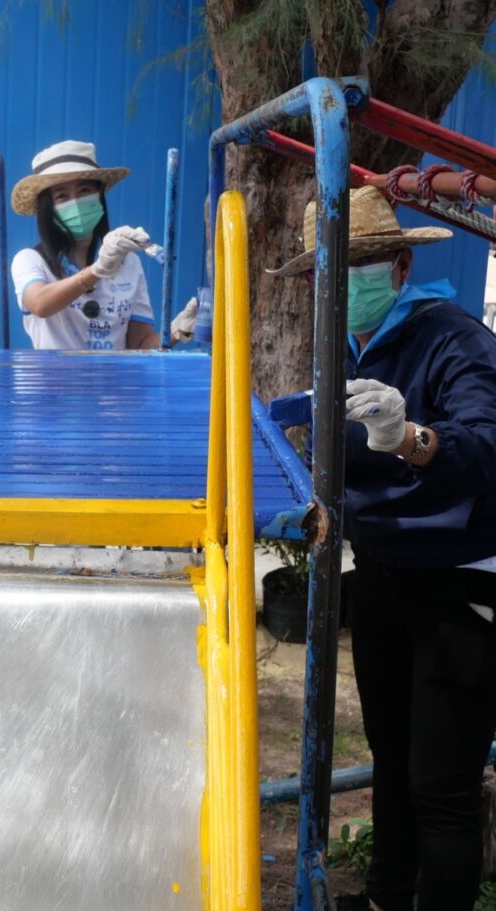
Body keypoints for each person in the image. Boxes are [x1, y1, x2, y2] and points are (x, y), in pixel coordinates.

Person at [270, 185, 496, 911]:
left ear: (401, 266)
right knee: (392, 757)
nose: (343, 283)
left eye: (359, 264)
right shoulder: (342, 345)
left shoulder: (454, 339)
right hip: (382, 572)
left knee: (442, 785)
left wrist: (411, 439)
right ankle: (384, 896)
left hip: (461, 582)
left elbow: (487, 448)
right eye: (329, 270)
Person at [9, 139, 173, 351]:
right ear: (47, 208)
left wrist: (178, 330)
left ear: (99, 196)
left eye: (85, 190)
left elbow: (139, 345)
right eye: (62, 196)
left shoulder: (129, 263)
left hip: (115, 374)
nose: (76, 202)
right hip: (52, 373)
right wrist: (97, 270)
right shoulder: (30, 260)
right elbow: (40, 303)